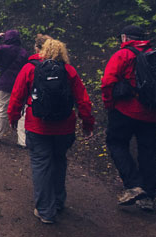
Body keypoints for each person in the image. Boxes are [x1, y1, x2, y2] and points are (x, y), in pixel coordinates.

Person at [8, 36, 94, 224]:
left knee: (41, 164)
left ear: (41, 50)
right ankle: (58, 202)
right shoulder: (69, 70)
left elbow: (17, 96)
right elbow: (83, 100)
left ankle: (46, 211)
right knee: (59, 161)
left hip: (37, 126)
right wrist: (87, 124)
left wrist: (13, 118)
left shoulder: (30, 68)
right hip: (65, 127)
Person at [100, 24, 156, 212]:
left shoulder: (123, 55)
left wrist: (109, 104)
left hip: (126, 110)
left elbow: (107, 82)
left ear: (125, 38)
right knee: (149, 152)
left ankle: (133, 185)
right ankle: (148, 197)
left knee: (116, 143)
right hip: (154, 113)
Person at [0, 28, 29, 146]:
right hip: (20, 85)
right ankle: (23, 140)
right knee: (21, 111)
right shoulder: (24, 52)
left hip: (5, 83)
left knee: (2, 109)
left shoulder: (4, 49)